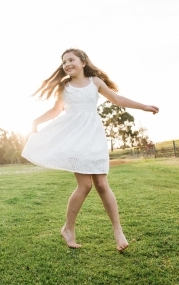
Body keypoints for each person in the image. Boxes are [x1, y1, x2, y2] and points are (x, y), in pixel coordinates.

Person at [22, 48, 159, 251]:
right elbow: (55, 111)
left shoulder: (95, 82)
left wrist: (144, 106)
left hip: (94, 137)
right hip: (76, 139)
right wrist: (35, 122)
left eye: (71, 60)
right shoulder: (64, 86)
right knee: (85, 185)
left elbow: (118, 100)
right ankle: (68, 229)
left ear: (83, 62)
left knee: (102, 185)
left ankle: (118, 231)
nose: (67, 64)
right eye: (64, 62)